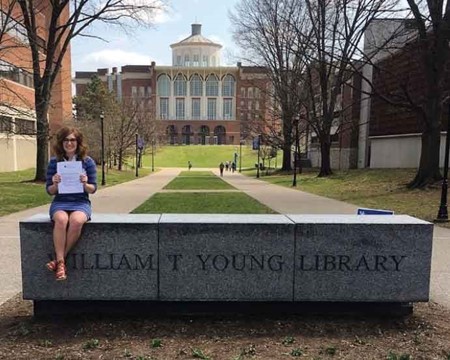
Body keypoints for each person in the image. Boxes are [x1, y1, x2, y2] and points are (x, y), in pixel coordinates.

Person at [45, 126, 97, 281]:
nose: (69, 143)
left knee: (76, 221)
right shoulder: (54, 162)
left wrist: (85, 183)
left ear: (78, 142)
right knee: (61, 220)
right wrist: (54, 183)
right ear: (61, 142)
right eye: (66, 140)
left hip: (81, 202)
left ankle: (59, 261)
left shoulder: (87, 162)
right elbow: (50, 191)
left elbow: (93, 189)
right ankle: (61, 263)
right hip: (60, 201)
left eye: (73, 140)